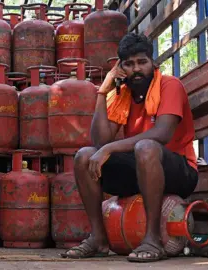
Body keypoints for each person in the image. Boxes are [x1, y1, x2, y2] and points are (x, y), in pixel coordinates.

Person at [60, 33, 198, 262]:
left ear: (153, 63)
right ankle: (98, 239)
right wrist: (102, 91)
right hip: (143, 168)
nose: (136, 69)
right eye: (129, 64)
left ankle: (153, 239)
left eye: (142, 62)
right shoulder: (122, 94)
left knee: (146, 147)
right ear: (120, 67)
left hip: (179, 170)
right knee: (84, 156)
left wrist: (110, 149)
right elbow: (99, 142)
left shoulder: (169, 85)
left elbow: (162, 133)